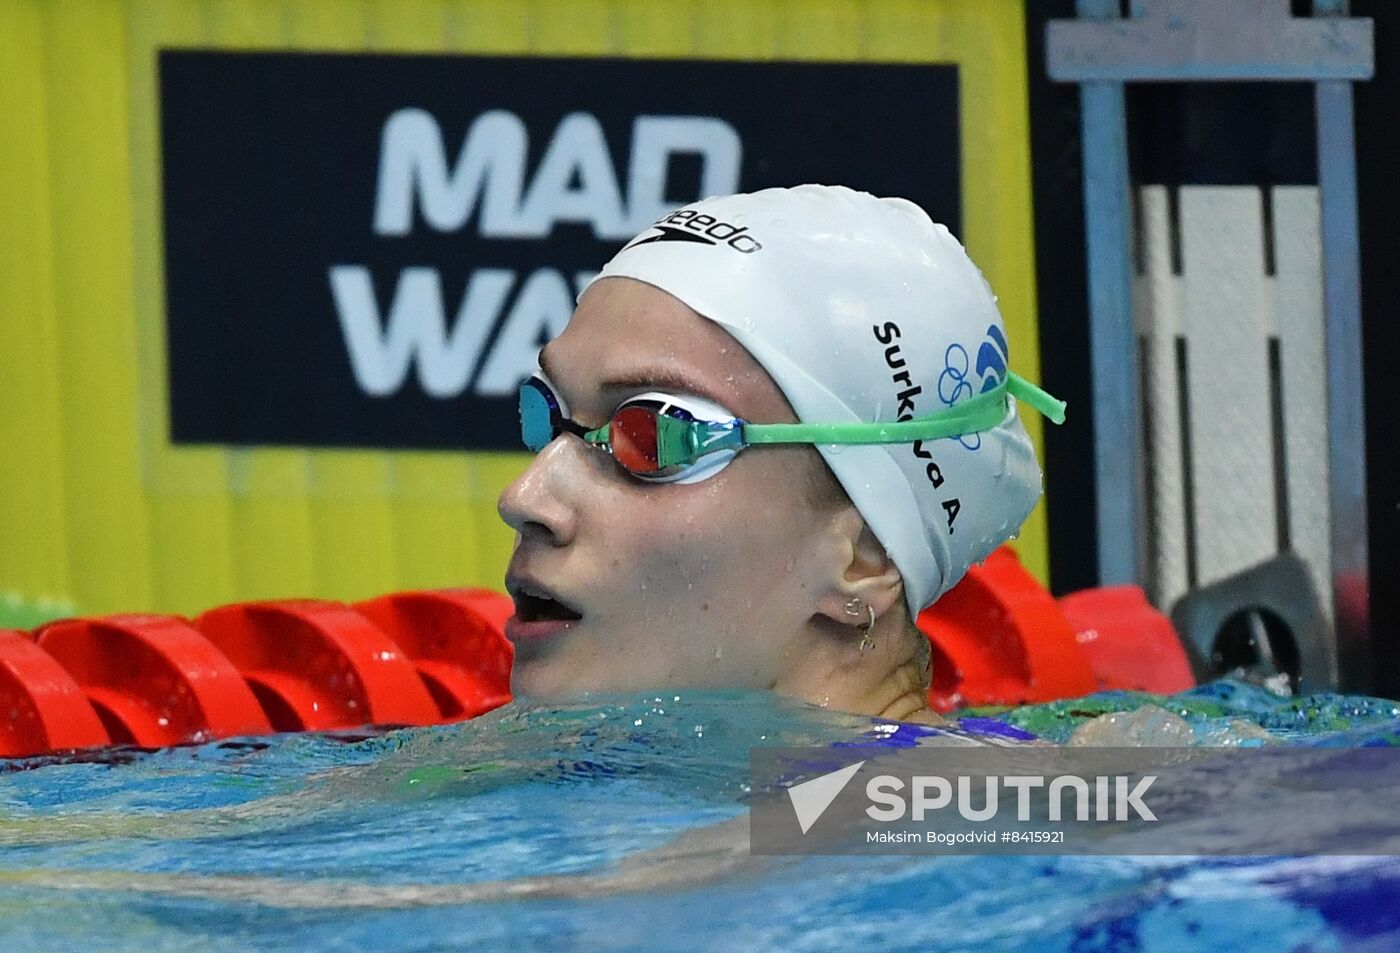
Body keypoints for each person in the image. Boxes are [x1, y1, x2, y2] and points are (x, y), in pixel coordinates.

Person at [498, 184, 1063, 722]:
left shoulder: (973, 816)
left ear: (865, 557)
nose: (524, 498)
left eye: (652, 436)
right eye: (548, 414)